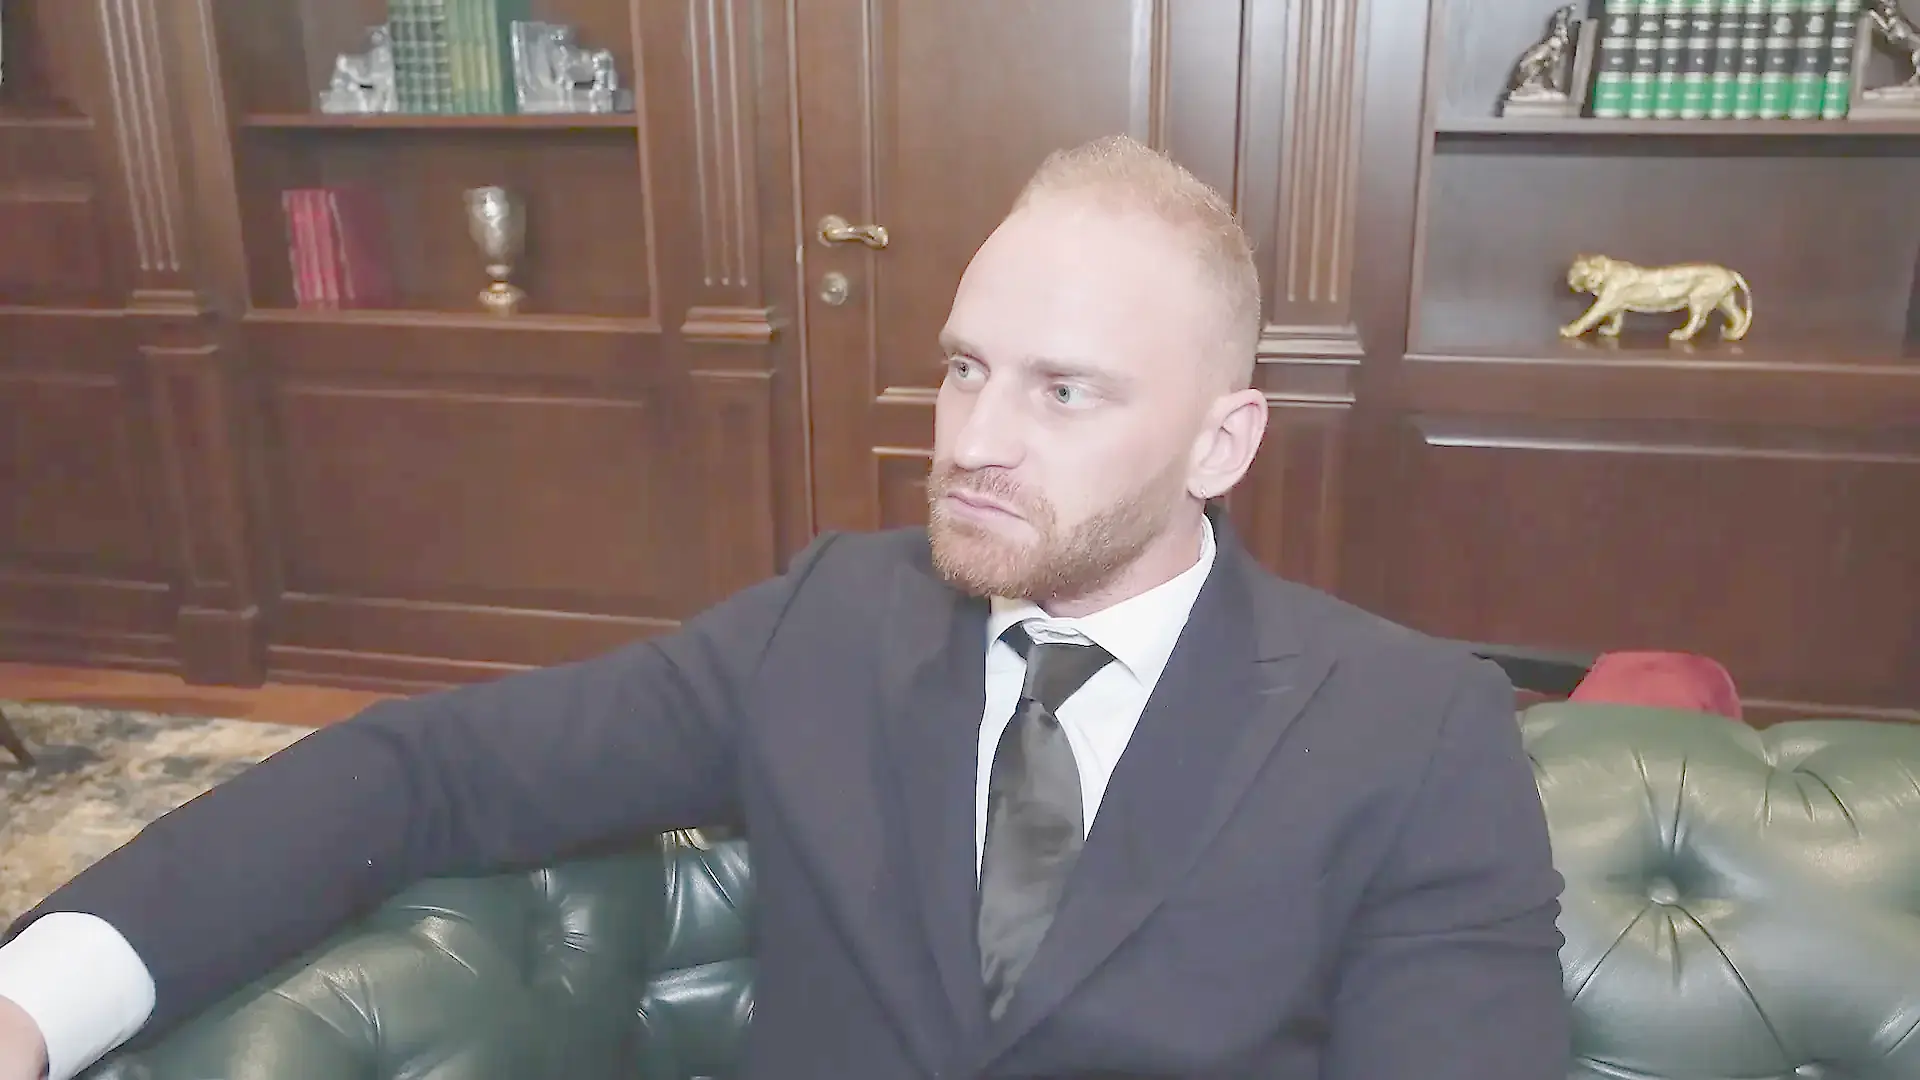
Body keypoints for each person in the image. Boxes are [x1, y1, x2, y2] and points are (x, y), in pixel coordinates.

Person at [0, 135, 1569, 1080]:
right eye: (963, 368)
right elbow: (430, 771)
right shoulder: (830, 619)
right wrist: (35, 1000)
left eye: (1063, 391)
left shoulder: (1413, 728)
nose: (973, 439)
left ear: (1221, 444)